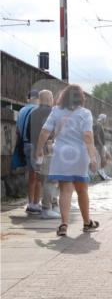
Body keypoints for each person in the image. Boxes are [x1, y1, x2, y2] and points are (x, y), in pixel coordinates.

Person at [33, 84, 100, 236]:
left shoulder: (56, 111)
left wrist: (39, 150)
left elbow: (45, 132)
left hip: (61, 155)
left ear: (64, 96)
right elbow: (88, 136)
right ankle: (87, 223)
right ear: (81, 98)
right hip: (79, 155)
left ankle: (63, 224)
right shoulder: (85, 113)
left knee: (65, 190)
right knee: (82, 190)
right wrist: (93, 157)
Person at [27, 90, 59, 219]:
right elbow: (50, 131)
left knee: (40, 178)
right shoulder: (51, 112)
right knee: (50, 179)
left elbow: (28, 132)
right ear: (50, 98)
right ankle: (48, 207)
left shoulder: (32, 112)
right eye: (52, 97)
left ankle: (39, 204)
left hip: (34, 148)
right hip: (47, 149)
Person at [17, 89, 40, 215]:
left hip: (24, 144)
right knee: (37, 176)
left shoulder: (21, 110)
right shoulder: (37, 110)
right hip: (34, 144)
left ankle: (31, 201)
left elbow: (18, 131)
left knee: (31, 174)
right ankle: (34, 204)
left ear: (28, 98)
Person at [93, 113, 111, 180]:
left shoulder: (99, 125)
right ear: (103, 119)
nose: (105, 120)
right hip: (100, 145)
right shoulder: (99, 125)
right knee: (104, 158)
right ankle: (101, 172)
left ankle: (102, 171)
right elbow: (96, 135)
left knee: (108, 157)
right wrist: (101, 145)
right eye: (105, 119)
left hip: (101, 144)